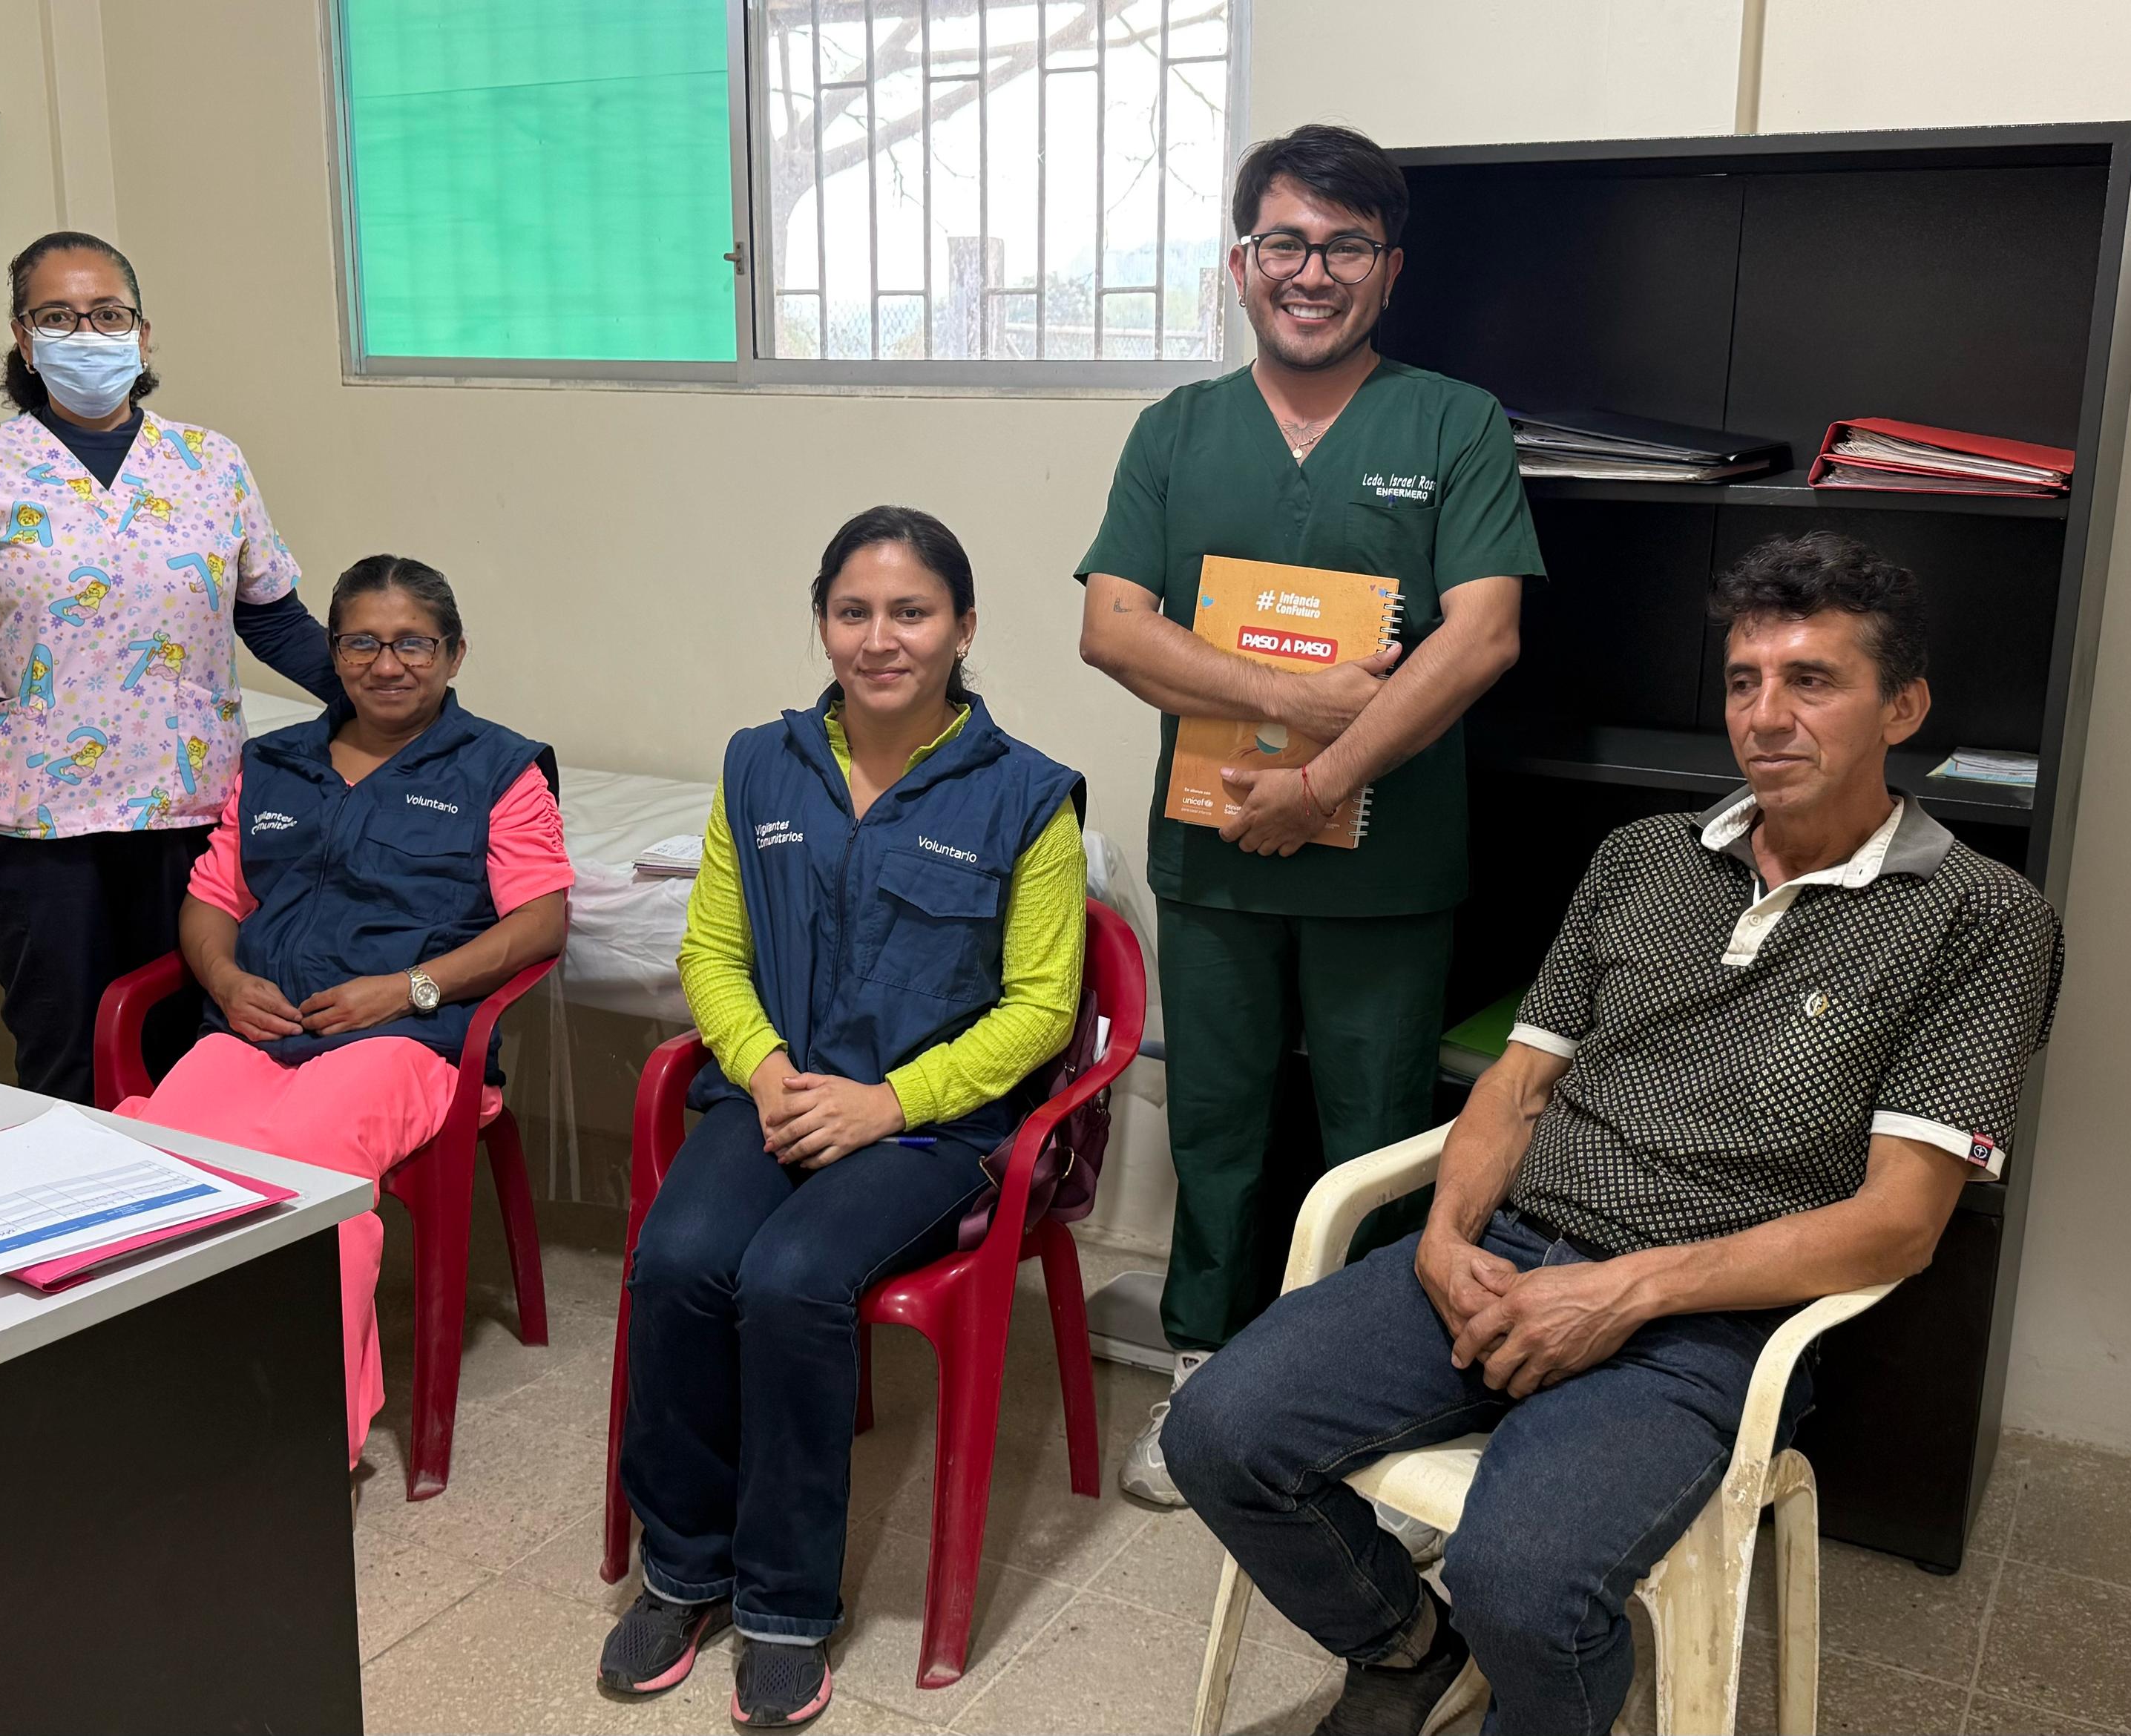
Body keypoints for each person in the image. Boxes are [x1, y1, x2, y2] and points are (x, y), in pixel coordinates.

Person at [1163, 532, 2066, 1736]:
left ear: (1902, 707)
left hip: (1707, 1320)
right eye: (1744, 681)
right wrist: (1444, 1239)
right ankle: (1406, 1649)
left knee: (1522, 1583)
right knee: (1217, 1431)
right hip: (1512, 1251)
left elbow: (1901, 1224)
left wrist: (1625, 1293)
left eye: (1812, 681)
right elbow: (1516, 1087)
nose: (1767, 716)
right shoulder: (1644, 859)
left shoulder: (1980, 920)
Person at [1073, 123, 1545, 1505]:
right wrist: (1298, 700)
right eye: (1284, 242)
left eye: (1346, 247)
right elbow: (1113, 627)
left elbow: (1484, 636)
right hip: (1214, 855)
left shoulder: (1454, 423)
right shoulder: (1177, 431)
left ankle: (1368, 1405)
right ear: (1241, 265)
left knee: (1379, 1135)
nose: (1312, 272)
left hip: (1384, 868)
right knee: (1216, 1125)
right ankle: (1204, 1373)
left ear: (1389, 270)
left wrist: (1324, 782)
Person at [600, 507, 1086, 1730]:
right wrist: (764, 1070)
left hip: (930, 1128)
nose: (881, 639)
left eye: (911, 612)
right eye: (853, 612)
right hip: (778, 1096)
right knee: (680, 1257)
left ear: (962, 629)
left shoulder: (1028, 797)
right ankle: (683, 1567)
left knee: (794, 1277)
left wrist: (891, 1102)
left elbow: (1041, 1010)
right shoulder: (760, 766)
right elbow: (713, 954)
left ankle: (783, 1605)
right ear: (821, 624)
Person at [116, 555, 569, 1467]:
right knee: (155, 1167)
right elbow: (212, 899)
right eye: (363, 642)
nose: (387, 664)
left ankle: (305, 1439)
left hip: (406, 1041)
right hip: (256, 1029)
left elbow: (540, 922)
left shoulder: (499, 769)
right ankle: (165, 1398)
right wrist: (224, 981)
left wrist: (409, 988)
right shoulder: (274, 763)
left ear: (453, 655)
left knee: (300, 1181)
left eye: (413, 644)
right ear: (333, 653)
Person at [0, 229, 345, 1102]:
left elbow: (272, 618)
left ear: (142, 333)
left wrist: (391, 702)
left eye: (107, 314)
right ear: (23, 338)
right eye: (58, 316)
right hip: (37, 824)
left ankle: (190, 1197)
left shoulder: (210, 462)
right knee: (64, 1053)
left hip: (191, 810)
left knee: (191, 1055)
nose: (87, 333)